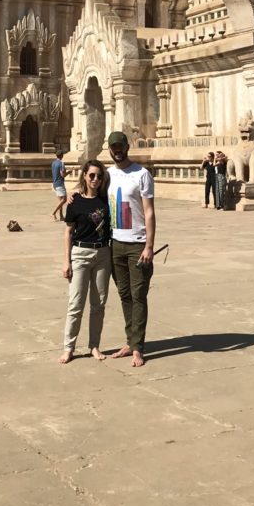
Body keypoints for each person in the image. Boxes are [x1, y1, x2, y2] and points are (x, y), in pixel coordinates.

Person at [106, 131, 156, 368]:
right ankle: (130, 340)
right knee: (124, 294)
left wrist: (149, 245)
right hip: (115, 243)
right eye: (113, 147)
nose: (117, 151)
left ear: (127, 147)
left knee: (138, 296)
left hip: (137, 244)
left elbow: (149, 211)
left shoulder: (142, 174)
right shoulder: (107, 175)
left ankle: (138, 347)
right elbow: (90, 192)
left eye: (120, 147)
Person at [59, 159, 112, 364]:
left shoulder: (107, 200)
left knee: (98, 304)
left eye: (99, 176)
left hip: (102, 254)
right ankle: (68, 347)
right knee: (75, 304)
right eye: (91, 175)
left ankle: (94, 346)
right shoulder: (75, 202)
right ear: (84, 176)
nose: (95, 179)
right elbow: (68, 232)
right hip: (80, 254)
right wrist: (67, 261)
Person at [51, 149, 67, 220]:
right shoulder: (61, 163)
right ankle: (53, 212)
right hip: (60, 183)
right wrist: (68, 172)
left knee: (60, 200)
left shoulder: (53, 163)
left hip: (54, 183)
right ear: (62, 156)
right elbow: (62, 174)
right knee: (64, 200)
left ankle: (61, 216)